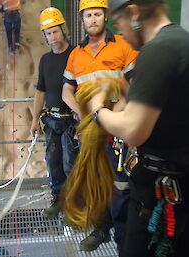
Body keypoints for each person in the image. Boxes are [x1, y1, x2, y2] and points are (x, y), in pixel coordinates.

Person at [87, 0, 189, 256]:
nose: (119, 32)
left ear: (134, 14)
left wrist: (99, 110)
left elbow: (133, 129)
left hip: (159, 194)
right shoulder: (181, 40)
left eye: (118, 23)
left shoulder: (157, 51)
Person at [61, 0, 137, 252]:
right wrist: (84, 115)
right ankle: (102, 229)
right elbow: (66, 92)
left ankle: (124, 235)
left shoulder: (123, 47)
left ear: (105, 17)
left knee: (120, 183)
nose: (92, 19)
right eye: (88, 15)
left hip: (117, 130)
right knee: (96, 181)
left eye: (97, 14)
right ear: (82, 19)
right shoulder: (76, 54)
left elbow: (135, 85)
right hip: (91, 130)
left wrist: (112, 114)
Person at [30, 7, 79, 219]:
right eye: (48, 33)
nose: (52, 36)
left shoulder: (75, 55)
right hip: (51, 120)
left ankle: (73, 204)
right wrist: (34, 120)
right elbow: (40, 91)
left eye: (55, 31)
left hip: (71, 122)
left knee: (71, 164)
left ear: (63, 30)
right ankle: (58, 200)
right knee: (54, 162)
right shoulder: (45, 61)